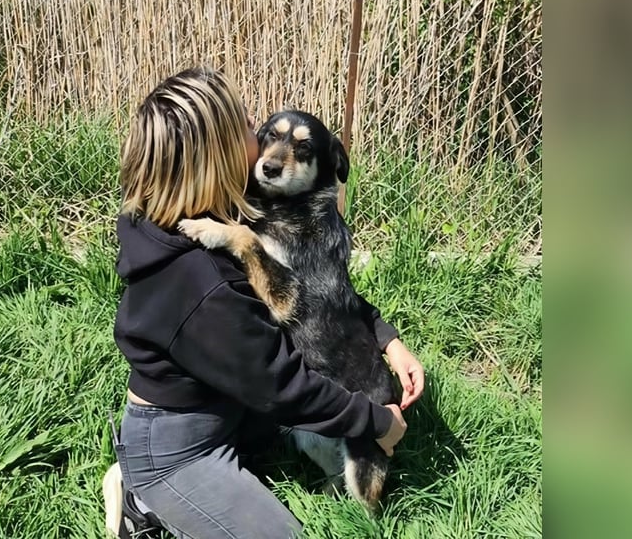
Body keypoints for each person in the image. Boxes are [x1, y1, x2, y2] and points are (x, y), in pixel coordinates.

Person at [103, 67, 424, 539]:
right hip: (177, 449)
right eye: (250, 131)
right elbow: (281, 382)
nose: (265, 151)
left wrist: (388, 340)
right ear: (216, 157)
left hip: (227, 408)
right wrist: (376, 421)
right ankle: (141, 495)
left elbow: (324, 294)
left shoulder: (211, 215)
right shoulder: (202, 278)